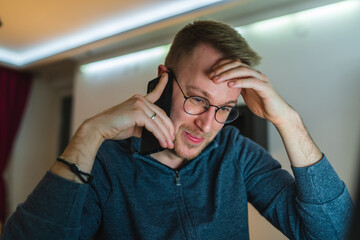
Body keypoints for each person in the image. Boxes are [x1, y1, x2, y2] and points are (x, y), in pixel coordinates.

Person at [1, 20, 353, 240]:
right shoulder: (106, 162)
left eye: (225, 109)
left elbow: (334, 233)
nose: (207, 124)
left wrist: (287, 120)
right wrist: (89, 133)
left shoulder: (237, 152)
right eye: (198, 99)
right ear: (165, 79)